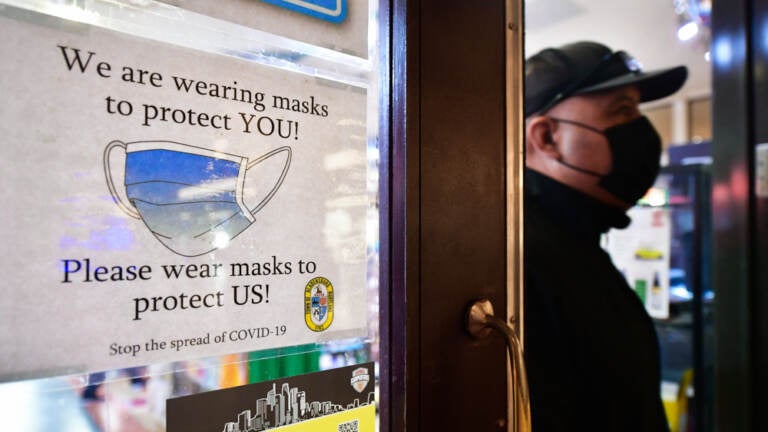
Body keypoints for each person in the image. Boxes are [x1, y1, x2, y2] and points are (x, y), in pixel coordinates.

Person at [523, 41, 687, 431]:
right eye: (621, 111)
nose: (641, 129)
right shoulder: (517, 260)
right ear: (547, 138)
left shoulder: (577, 239)